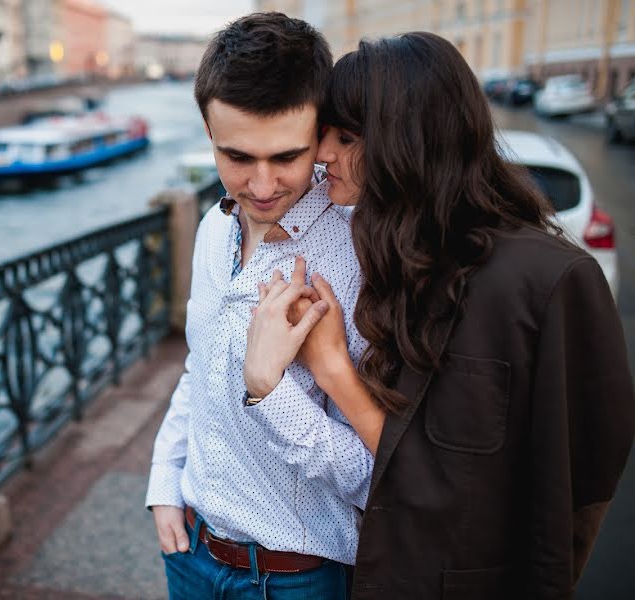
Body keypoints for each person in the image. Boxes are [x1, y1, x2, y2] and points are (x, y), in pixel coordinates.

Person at [243, 31, 635, 599]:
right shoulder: (394, 253)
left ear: (409, 141)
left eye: (346, 136)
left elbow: (579, 486)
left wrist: (330, 368)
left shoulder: (548, 280)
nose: (323, 154)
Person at [145, 12, 374, 600]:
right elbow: (199, 369)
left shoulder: (359, 257)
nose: (264, 185)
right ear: (208, 130)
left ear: (322, 133)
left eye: (288, 157)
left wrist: (269, 392)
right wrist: (165, 479)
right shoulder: (211, 229)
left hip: (297, 578)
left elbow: (378, 474)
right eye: (239, 158)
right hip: (190, 553)